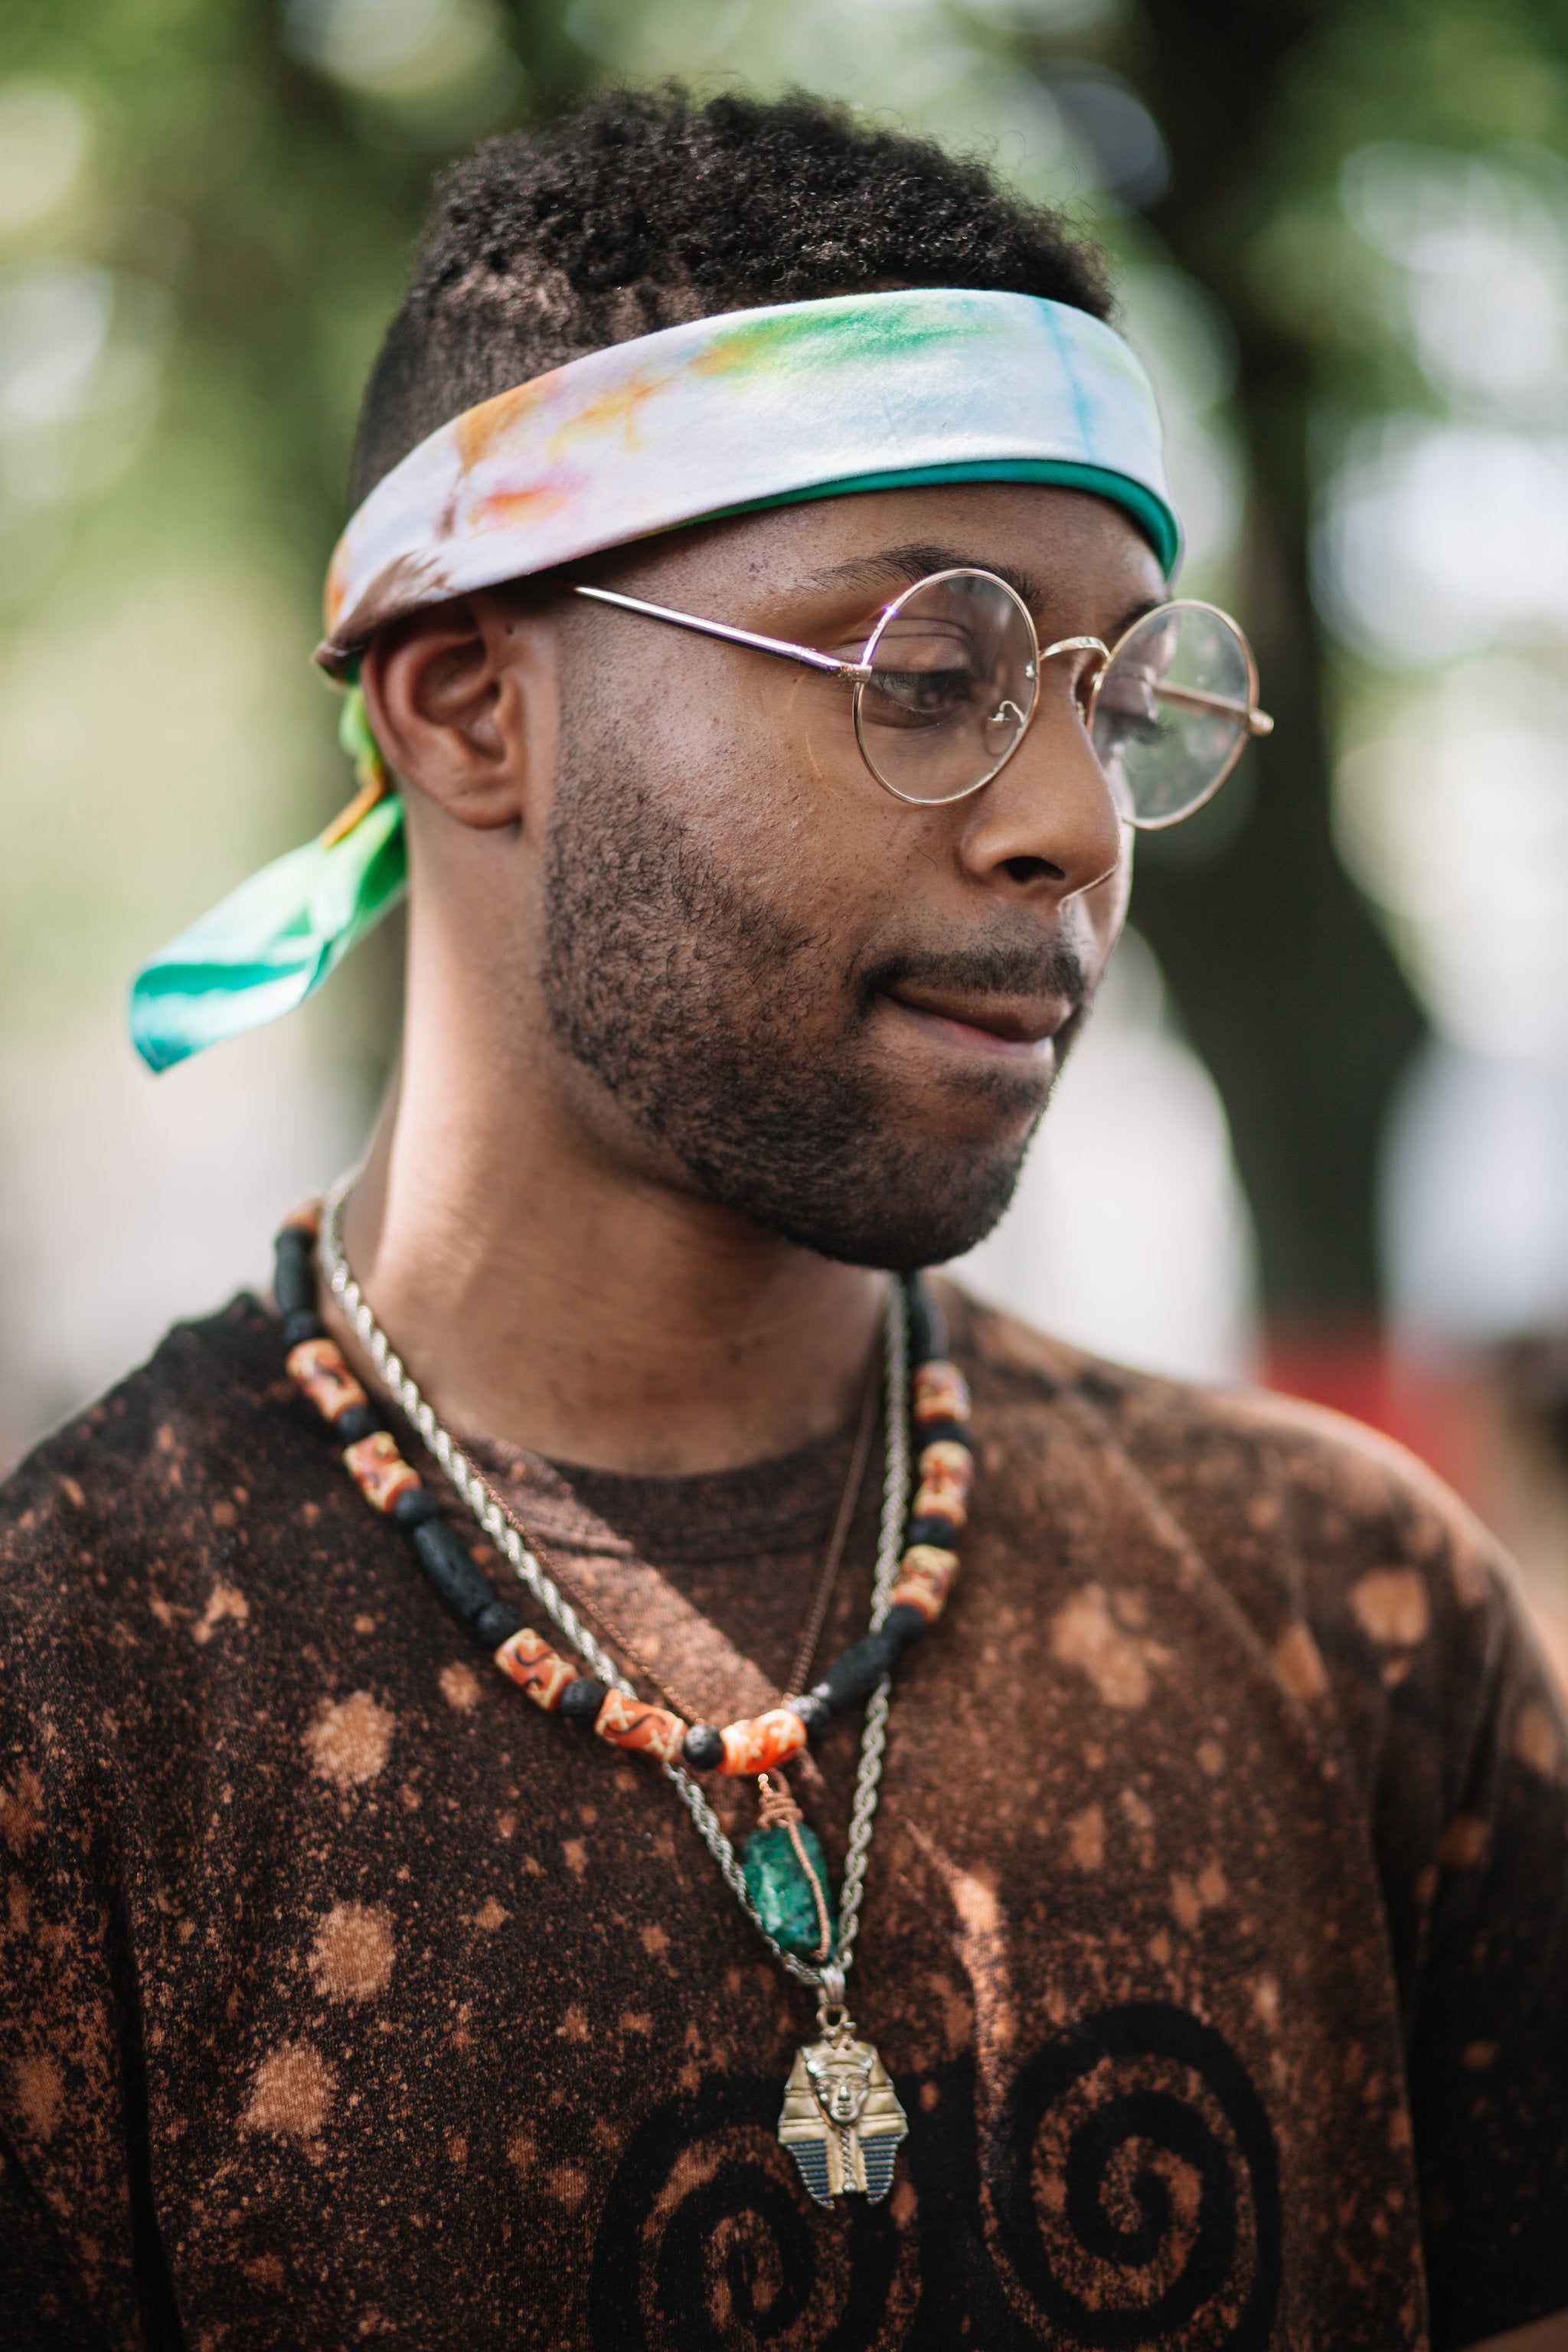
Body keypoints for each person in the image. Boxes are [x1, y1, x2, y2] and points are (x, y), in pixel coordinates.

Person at [0, 85, 1563, 2352]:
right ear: (465, 706)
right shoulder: (76, 1722)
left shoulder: (1362, 1623)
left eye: (1111, 698)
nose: (1066, 823)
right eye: (927, 669)